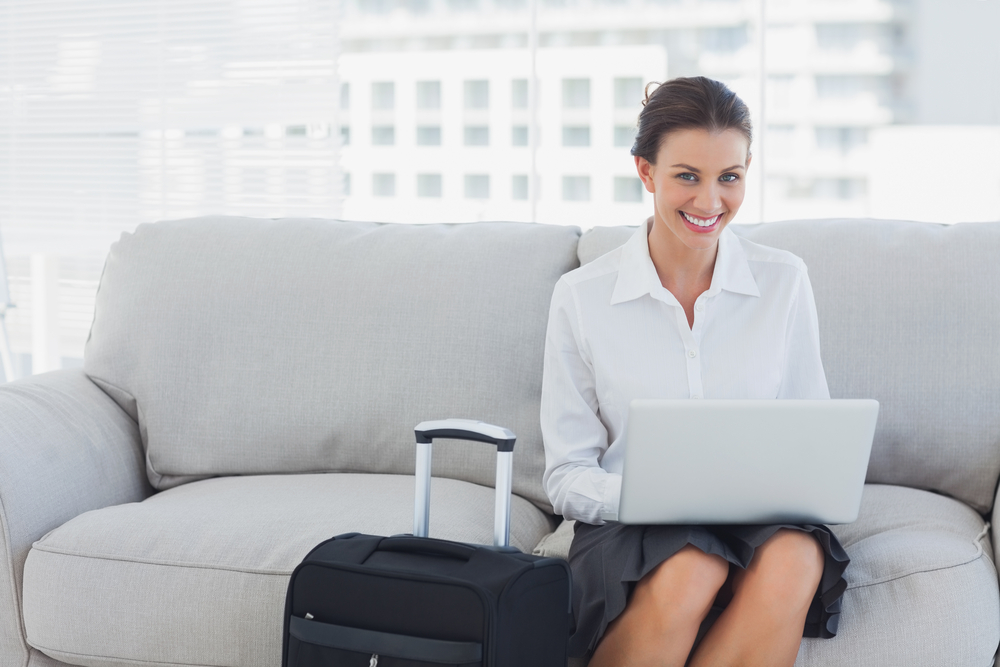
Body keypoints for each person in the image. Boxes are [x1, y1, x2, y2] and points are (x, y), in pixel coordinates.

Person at [540, 76, 849, 667]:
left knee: (795, 559)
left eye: (729, 177)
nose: (710, 203)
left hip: (757, 517)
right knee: (691, 566)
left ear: (747, 171)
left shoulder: (783, 281)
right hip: (632, 521)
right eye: (687, 176)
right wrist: (656, 497)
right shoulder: (581, 296)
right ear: (646, 171)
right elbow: (567, 475)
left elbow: (811, 435)